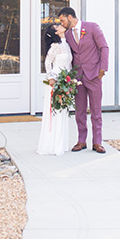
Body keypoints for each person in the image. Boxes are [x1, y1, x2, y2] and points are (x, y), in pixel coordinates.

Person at [58, 7, 109, 153]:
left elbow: (104, 47)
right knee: (79, 110)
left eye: (62, 20)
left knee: (95, 110)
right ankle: (81, 141)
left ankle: (97, 142)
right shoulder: (67, 34)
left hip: (94, 75)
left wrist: (102, 68)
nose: (62, 23)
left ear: (69, 16)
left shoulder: (92, 27)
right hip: (77, 77)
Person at [37, 23, 73, 155]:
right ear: (56, 32)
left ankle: (60, 143)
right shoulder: (55, 46)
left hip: (66, 80)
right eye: (57, 26)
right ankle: (51, 144)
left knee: (63, 111)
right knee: (55, 111)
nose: (60, 25)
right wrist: (51, 77)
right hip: (56, 80)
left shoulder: (67, 44)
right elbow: (47, 62)